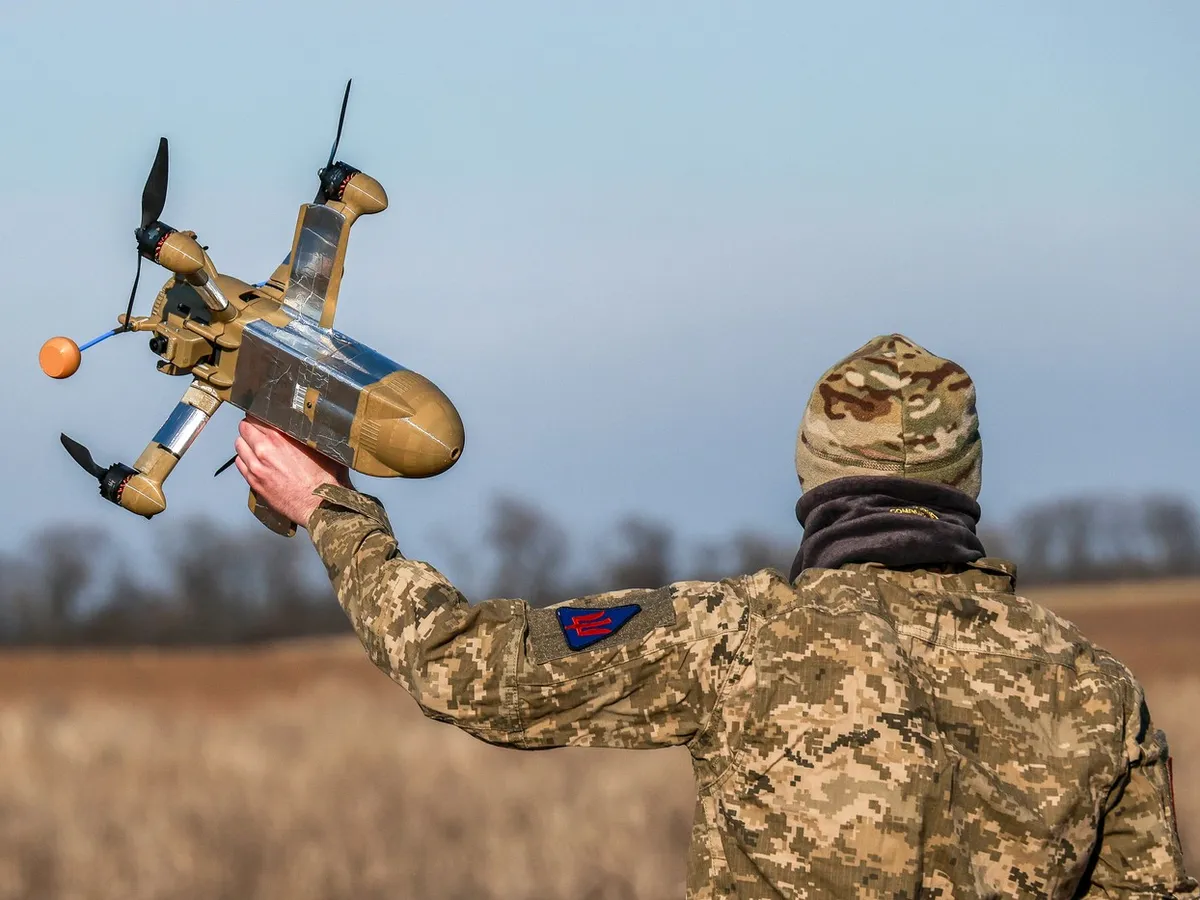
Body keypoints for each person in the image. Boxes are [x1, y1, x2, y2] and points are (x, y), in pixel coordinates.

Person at [234, 333, 1196, 898]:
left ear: (815, 476)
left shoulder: (741, 638)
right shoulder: (1095, 686)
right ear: (966, 480)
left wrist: (330, 509)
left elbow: (463, 666)